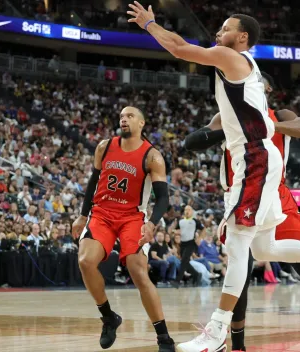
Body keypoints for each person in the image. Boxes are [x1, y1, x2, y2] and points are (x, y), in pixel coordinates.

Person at [128, 6, 300, 351]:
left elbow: (177, 47)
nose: (218, 34)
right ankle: (222, 333)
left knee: (238, 249)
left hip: (254, 159)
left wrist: (149, 24)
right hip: (258, 158)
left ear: (242, 37)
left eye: (225, 29)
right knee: (262, 247)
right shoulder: (244, 70)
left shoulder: (230, 56)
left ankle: (216, 334)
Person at [185, 72, 300, 352]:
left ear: (267, 89)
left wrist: (266, 125)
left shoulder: (281, 114)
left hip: (274, 191)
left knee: (247, 255)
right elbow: (192, 142)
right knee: (254, 255)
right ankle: (235, 342)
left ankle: (218, 333)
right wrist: (229, 129)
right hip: (238, 191)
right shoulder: (228, 115)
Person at [72, 106, 173, 351]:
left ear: (141, 123)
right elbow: (92, 183)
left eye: (130, 116)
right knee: (85, 261)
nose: (124, 119)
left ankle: (164, 337)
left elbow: (163, 199)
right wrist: (82, 216)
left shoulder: (152, 156)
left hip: (132, 217)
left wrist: (152, 223)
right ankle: (109, 317)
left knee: (138, 271)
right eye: (121, 116)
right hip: (102, 214)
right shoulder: (104, 147)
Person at [172, 205, 204, 288]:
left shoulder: (195, 221)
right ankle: (196, 274)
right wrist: (175, 231)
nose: (187, 211)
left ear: (192, 212)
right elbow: (175, 230)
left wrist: (199, 238)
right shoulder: (180, 221)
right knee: (185, 262)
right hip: (182, 243)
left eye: (189, 210)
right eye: (186, 210)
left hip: (191, 243)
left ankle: (177, 281)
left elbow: (203, 229)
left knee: (184, 262)